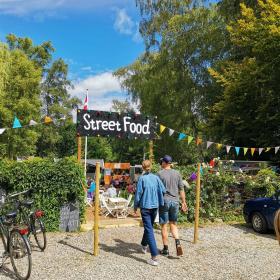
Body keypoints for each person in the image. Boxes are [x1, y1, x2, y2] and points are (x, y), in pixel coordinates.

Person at [134, 160, 166, 266]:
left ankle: (154, 257)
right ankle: (144, 244)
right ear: (150, 167)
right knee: (149, 227)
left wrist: (135, 207)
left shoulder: (142, 179)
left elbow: (138, 194)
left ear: (143, 168)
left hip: (145, 207)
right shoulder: (156, 178)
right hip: (155, 206)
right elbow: (163, 189)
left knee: (149, 229)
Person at [158, 155, 188, 257]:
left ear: (165, 163)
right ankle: (178, 243)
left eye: (162, 162)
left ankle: (166, 249)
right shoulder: (177, 173)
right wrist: (183, 202)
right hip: (175, 201)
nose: (161, 163)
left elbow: (158, 190)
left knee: (164, 225)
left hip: (164, 201)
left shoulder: (160, 174)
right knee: (173, 224)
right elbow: (181, 189)